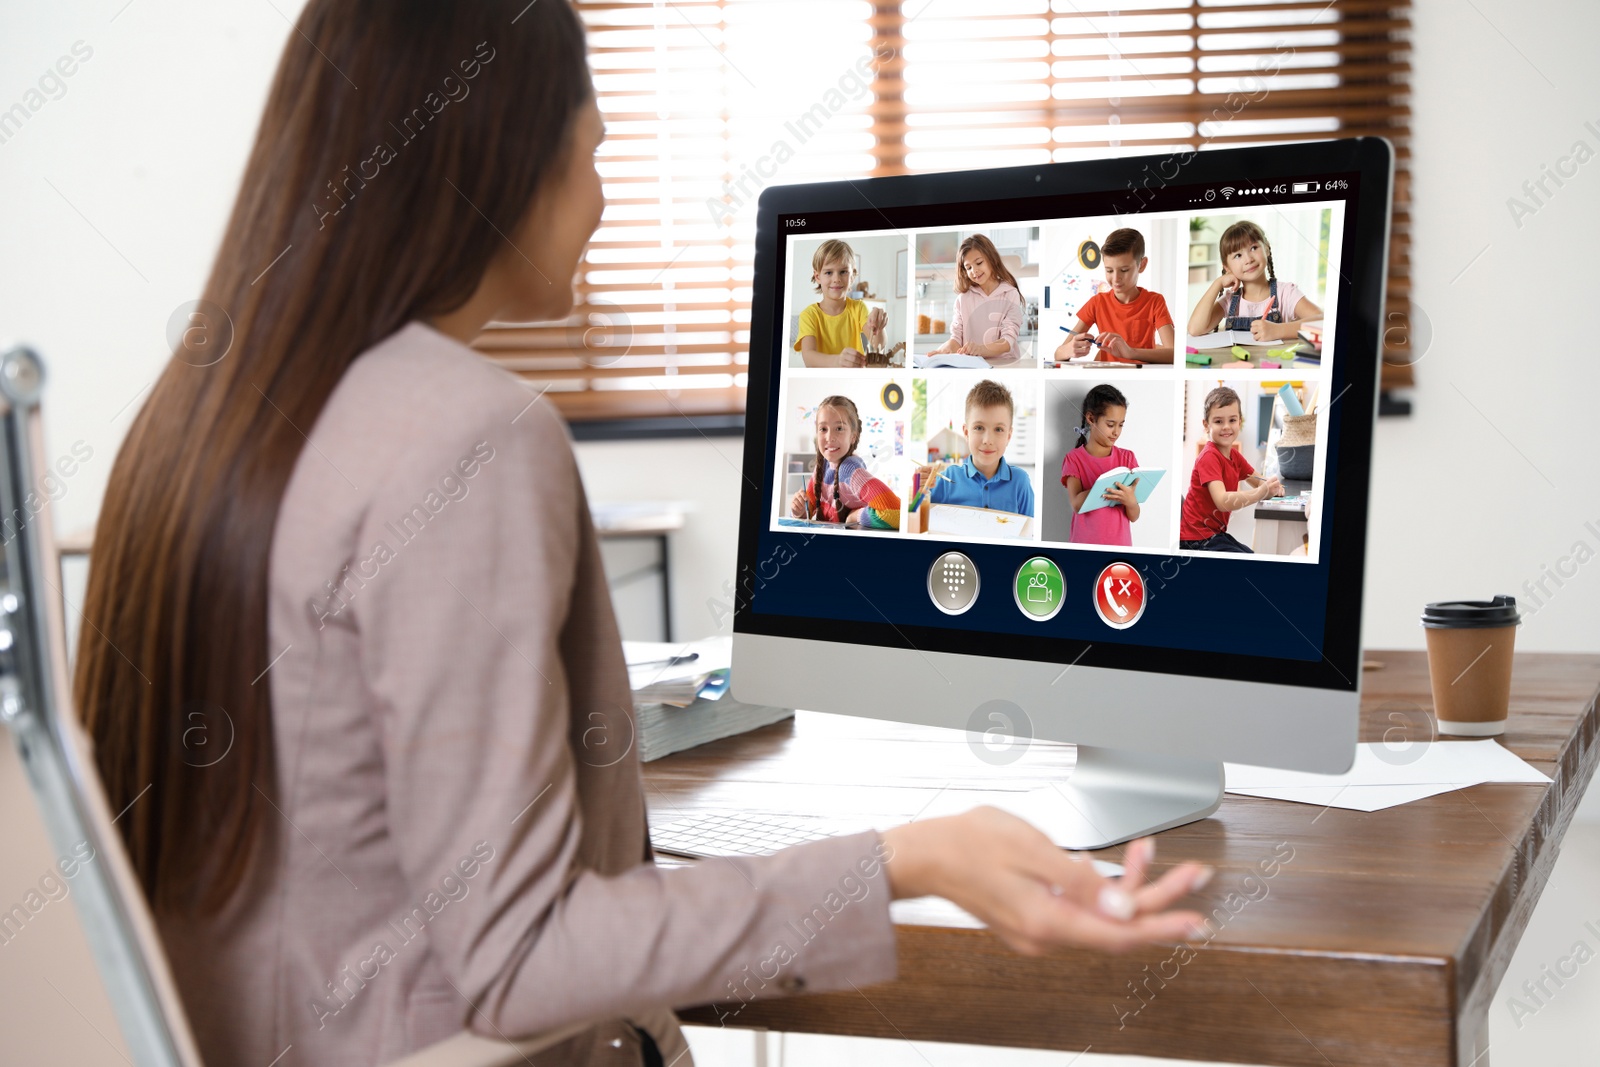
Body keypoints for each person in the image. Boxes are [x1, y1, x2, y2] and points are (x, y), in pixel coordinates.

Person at [72, 5, 1213, 1066]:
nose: (603, 197)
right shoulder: (463, 434)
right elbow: (520, 958)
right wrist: (914, 855)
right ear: (500, 157)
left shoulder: (192, 419)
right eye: (596, 151)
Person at [1179, 385, 1283, 553]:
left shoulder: (1234, 456)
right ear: (1206, 425)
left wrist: (1273, 486)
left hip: (1213, 534)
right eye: (1219, 421)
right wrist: (1262, 492)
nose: (1226, 426)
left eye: (1232, 420)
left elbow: (1258, 481)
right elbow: (1222, 501)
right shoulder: (1209, 457)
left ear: (1239, 422)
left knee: (1251, 555)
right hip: (1196, 539)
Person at [1186, 220, 1323, 343]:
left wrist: (1279, 330)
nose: (1248, 259)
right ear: (1227, 267)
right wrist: (1217, 284)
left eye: (1253, 248)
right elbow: (1194, 329)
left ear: (1267, 249)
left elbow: (1322, 321)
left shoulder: (1286, 293)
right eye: (1238, 255)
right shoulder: (1230, 301)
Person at [1054, 228, 1174, 364]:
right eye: (1109, 270)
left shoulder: (1155, 301)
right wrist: (1069, 350)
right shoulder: (1097, 303)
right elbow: (1058, 354)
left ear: (1142, 265)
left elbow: (1175, 353)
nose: (1116, 278)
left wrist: (1131, 352)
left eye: (1124, 270)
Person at [917, 379, 1034, 517]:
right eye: (979, 428)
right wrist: (918, 491)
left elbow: (1030, 532)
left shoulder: (1020, 482)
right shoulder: (947, 479)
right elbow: (919, 520)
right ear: (966, 433)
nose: (987, 440)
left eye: (998, 429)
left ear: (1009, 436)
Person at [787, 394, 901, 529]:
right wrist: (798, 511)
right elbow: (809, 509)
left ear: (853, 436)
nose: (830, 437)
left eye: (839, 428)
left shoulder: (849, 470)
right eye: (823, 429)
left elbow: (896, 512)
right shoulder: (822, 467)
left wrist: (855, 516)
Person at [926, 234, 1025, 365]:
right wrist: (945, 350)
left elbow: (1007, 341)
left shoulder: (1010, 294)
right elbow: (956, 339)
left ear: (992, 259)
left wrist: (980, 349)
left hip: (1004, 364)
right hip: (972, 365)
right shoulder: (963, 299)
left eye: (979, 263)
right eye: (968, 267)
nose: (974, 270)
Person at [1062, 384, 1141, 546]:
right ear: (1091, 419)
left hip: (1120, 546)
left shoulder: (1128, 458)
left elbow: (1134, 516)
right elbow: (1077, 504)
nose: (1116, 432)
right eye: (1110, 425)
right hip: (1084, 546)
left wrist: (1130, 501)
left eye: (1121, 425)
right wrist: (1107, 484)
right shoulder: (1074, 459)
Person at [793, 239, 887, 368]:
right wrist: (838, 361)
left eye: (843, 272)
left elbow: (878, 345)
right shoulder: (809, 315)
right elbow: (809, 357)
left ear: (852, 275)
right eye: (829, 272)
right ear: (817, 277)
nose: (836, 279)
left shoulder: (858, 308)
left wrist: (879, 327)